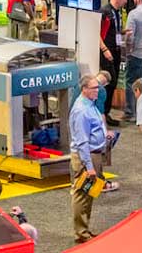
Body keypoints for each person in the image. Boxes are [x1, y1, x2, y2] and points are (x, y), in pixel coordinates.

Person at [69, 74, 115, 243]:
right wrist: (89, 166)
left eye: (98, 87)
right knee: (82, 194)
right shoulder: (81, 110)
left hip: (94, 154)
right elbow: (82, 142)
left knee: (90, 192)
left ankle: (85, 230)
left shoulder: (90, 104)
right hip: (85, 157)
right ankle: (81, 233)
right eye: (95, 88)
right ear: (84, 89)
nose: (98, 90)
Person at [99, 0, 128, 127]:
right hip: (107, 52)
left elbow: (112, 30)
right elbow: (96, 32)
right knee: (110, 81)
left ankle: (107, 112)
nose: (126, 1)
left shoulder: (117, 12)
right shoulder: (104, 12)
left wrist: (122, 32)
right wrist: (104, 49)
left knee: (114, 82)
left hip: (116, 51)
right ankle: (102, 112)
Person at [125, 0, 142, 122]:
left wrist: (128, 50)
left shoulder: (133, 14)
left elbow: (129, 36)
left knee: (131, 83)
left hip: (136, 54)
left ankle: (131, 112)